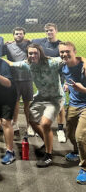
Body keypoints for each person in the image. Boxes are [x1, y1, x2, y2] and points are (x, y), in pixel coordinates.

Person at [5, 43, 64, 168]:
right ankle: (48, 142)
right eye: (30, 53)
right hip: (41, 97)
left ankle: (48, 155)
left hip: (55, 98)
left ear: (40, 53)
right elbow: (10, 63)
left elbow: (70, 58)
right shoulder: (27, 64)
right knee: (31, 120)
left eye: (35, 53)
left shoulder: (53, 62)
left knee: (45, 123)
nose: (33, 55)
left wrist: (84, 62)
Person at [32, 23, 66, 143]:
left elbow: (66, 60)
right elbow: (27, 42)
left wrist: (65, 80)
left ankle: (60, 129)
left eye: (51, 30)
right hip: (43, 80)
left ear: (56, 30)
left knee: (59, 105)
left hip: (57, 79)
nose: (49, 33)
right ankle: (40, 126)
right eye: (46, 31)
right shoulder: (40, 42)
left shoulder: (61, 45)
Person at [59, 41, 86, 184]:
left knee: (81, 136)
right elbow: (67, 80)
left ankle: (85, 168)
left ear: (75, 52)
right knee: (69, 132)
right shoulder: (63, 67)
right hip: (73, 105)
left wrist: (82, 90)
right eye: (62, 52)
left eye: (67, 51)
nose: (64, 54)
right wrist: (66, 85)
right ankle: (76, 152)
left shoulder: (83, 66)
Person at [3, 27, 34, 136]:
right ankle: (15, 123)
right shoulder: (8, 46)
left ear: (24, 35)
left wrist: (29, 40)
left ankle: (30, 125)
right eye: (16, 34)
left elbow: (37, 45)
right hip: (14, 79)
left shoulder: (29, 45)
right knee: (15, 103)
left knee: (27, 104)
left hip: (27, 79)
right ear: (13, 35)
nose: (18, 35)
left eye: (21, 34)